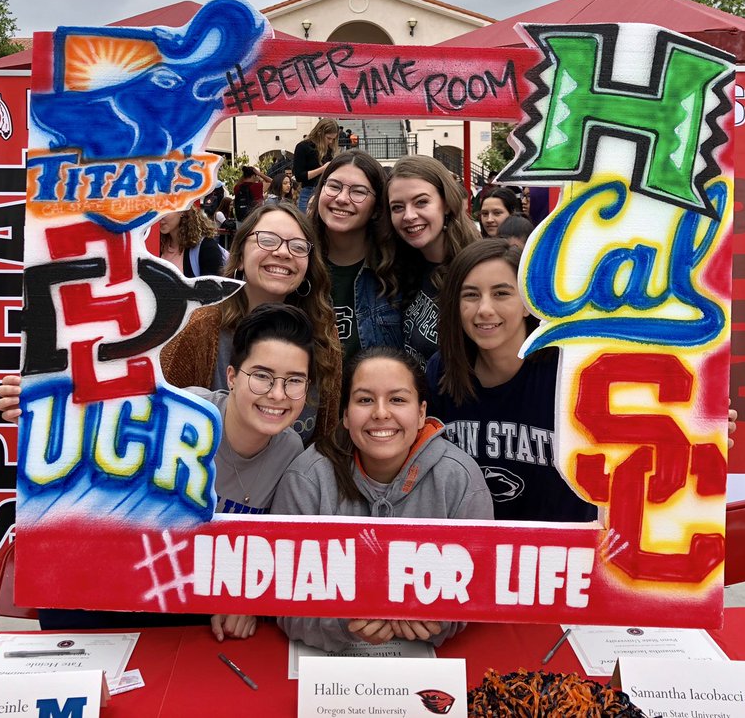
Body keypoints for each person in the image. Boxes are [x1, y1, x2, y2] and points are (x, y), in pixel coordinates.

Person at [0, 303, 315, 637]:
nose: (277, 394)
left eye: (294, 380)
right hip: (103, 599)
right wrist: (42, 404)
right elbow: (96, 423)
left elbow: (268, 559)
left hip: (187, 613)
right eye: (262, 376)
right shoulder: (181, 412)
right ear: (232, 377)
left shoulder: (290, 452)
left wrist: (245, 600)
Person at [272, 347, 492, 652]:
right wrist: (342, 626)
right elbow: (282, 603)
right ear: (346, 415)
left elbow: (478, 593)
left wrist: (442, 621)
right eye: (364, 400)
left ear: (421, 413)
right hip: (326, 663)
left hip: (432, 662)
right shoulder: (306, 478)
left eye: (398, 399)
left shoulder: (461, 480)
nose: (380, 412)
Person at [426, 238, 598, 523]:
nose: (484, 309)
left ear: (528, 304)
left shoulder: (565, 372)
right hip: (471, 548)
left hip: (556, 551)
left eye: (501, 293)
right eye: (470, 295)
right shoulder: (442, 371)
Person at [161, 201, 341, 443]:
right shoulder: (199, 327)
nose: (283, 252)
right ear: (240, 256)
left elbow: (326, 437)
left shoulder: (322, 333)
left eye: (298, 247)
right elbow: (161, 416)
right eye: (267, 240)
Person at [307, 151, 402, 365]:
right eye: (333, 186)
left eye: (359, 192)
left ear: (377, 208)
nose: (341, 199)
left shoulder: (398, 269)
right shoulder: (297, 262)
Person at [387, 155, 480, 367]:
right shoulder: (403, 266)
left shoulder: (476, 270)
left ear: (446, 204)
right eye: (397, 207)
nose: (409, 216)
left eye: (421, 202)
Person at [155, 202, 226, 278]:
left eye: (166, 209)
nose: (160, 216)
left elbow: (211, 287)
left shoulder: (206, 247)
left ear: (182, 211)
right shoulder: (156, 244)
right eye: (156, 210)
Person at [293, 117, 340, 211]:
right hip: (309, 191)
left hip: (326, 191)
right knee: (307, 224)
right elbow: (299, 176)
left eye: (333, 139)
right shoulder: (303, 147)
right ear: (319, 133)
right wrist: (322, 169)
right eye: (329, 138)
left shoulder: (329, 149)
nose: (331, 141)